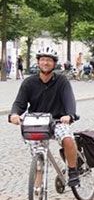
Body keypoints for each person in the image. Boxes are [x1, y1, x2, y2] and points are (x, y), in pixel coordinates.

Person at [9, 47, 81, 186]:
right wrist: (14, 114)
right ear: (38, 62)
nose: (45, 63)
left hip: (57, 121)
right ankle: (38, 194)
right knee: (38, 160)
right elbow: (19, 103)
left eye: (49, 60)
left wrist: (70, 115)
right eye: (42, 60)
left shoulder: (61, 81)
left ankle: (72, 170)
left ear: (54, 63)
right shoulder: (29, 82)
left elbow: (69, 100)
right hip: (36, 123)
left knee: (67, 138)